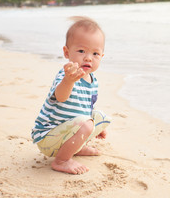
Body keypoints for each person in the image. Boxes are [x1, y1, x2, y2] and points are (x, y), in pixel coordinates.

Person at [31, 16, 111, 175]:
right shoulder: (66, 74)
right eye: (81, 51)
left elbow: (86, 107)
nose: (88, 57)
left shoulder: (93, 81)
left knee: (100, 117)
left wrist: (95, 128)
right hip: (48, 137)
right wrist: (68, 81)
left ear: (101, 56)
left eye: (95, 53)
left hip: (67, 132)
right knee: (87, 123)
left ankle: (76, 146)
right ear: (67, 52)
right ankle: (62, 160)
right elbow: (61, 97)